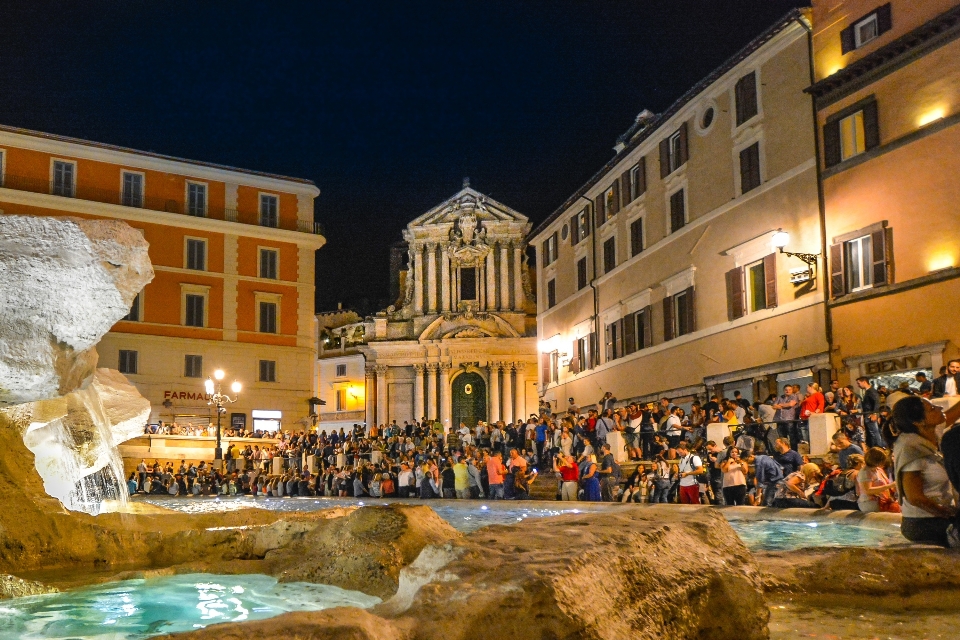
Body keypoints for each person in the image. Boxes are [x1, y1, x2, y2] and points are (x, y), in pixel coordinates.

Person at [886, 395, 960, 546]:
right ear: (918, 422)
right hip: (924, 523)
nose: (939, 408)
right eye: (932, 409)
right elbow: (915, 497)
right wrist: (946, 513)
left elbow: (955, 412)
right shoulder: (911, 448)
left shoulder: (930, 432)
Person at [857, 448, 897, 513]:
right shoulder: (865, 472)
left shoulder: (879, 470)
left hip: (883, 501)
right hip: (870, 503)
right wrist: (889, 486)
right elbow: (867, 490)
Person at [857, 376, 886, 449]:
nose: (858, 385)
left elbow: (876, 402)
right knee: (873, 432)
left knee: (874, 432)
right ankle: (876, 447)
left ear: (864, 381)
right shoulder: (869, 391)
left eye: (859, 383)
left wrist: (875, 413)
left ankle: (879, 447)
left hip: (870, 414)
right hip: (869, 413)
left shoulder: (871, 391)